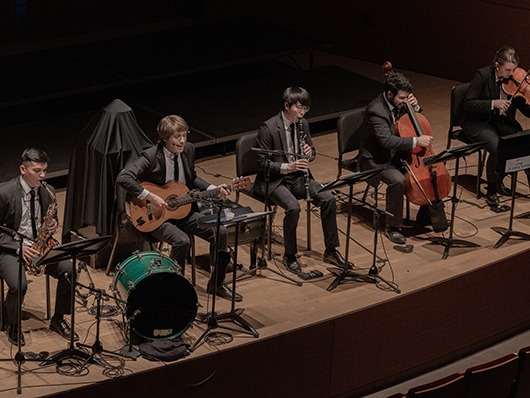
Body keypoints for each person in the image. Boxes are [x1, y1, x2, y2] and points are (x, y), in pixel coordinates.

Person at [117, 115, 241, 301]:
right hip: (156, 215)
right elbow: (124, 177)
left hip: (183, 211)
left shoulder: (188, 150)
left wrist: (212, 188)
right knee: (182, 241)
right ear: (165, 138)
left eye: (184, 135)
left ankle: (217, 284)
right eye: (177, 137)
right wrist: (150, 196)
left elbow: (191, 177)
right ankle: (174, 289)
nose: (182, 141)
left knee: (220, 231)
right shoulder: (150, 156)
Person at [254, 86, 352, 274]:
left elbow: (312, 153)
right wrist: (287, 167)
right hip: (275, 180)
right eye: (299, 108)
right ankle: (290, 255)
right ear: (286, 105)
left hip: (298, 177)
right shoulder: (268, 128)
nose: (302, 112)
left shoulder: (303, 124)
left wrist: (309, 154)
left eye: (306, 109)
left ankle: (331, 250)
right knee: (293, 207)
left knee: (328, 199)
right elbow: (261, 163)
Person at [0, 148, 78, 346]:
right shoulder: (5, 193)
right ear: (23, 169)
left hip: (38, 248)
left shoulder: (48, 190)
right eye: (37, 171)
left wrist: (53, 225)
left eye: (44, 170)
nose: (42, 175)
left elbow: (51, 219)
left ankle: (58, 318)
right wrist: (19, 248)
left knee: (69, 270)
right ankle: (13, 326)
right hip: (11, 249)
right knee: (19, 285)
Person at [359, 72, 433, 244]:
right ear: (389, 94)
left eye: (408, 97)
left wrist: (416, 109)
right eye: (402, 98)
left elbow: (412, 123)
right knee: (398, 181)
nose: (405, 101)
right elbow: (386, 141)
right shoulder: (375, 111)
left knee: (428, 169)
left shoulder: (400, 103)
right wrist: (416, 141)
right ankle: (393, 227)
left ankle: (425, 214)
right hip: (376, 159)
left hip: (396, 155)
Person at [462, 46, 530, 207]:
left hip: (500, 122)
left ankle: (498, 180)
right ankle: (491, 191)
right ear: (497, 65)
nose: (511, 75)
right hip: (479, 123)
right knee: (497, 146)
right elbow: (468, 103)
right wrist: (493, 103)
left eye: (513, 70)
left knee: (521, 142)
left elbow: (526, 111)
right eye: (507, 70)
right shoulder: (483, 75)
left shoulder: (515, 83)